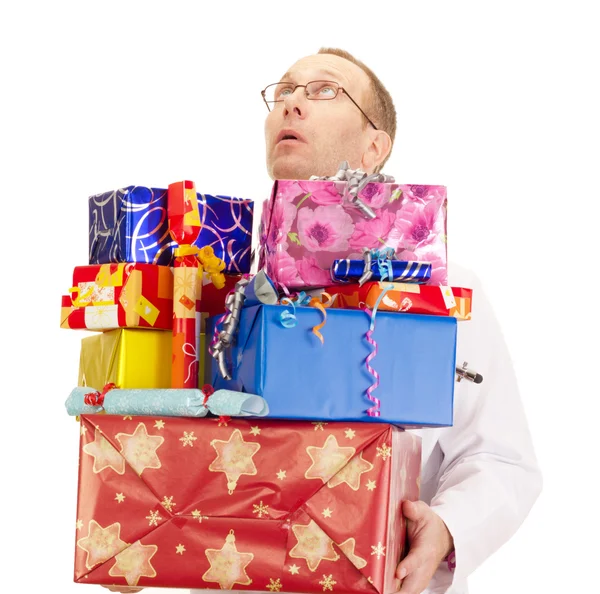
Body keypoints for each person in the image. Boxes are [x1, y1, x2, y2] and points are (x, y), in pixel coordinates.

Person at [107, 48, 542, 594]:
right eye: (284, 91)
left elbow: (500, 457)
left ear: (374, 146)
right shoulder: (211, 284)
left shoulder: (444, 291)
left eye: (323, 90)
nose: (292, 103)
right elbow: (172, 440)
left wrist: (448, 528)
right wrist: (135, 524)